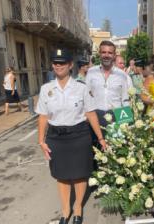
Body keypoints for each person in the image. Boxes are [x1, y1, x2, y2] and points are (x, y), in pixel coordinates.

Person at [36, 48, 106, 224]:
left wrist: (100, 138)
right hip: (56, 137)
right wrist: (41, 141)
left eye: (62, 63)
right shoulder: (46, 89)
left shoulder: (81, 88)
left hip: (79, 135)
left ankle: (78, 207)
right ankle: (65, 209)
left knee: (79, 174)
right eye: (55, 63)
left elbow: (90, 114)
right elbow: (43, 116)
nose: (58, 66)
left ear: (70, 65)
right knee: (62, 175)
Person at [86, 40, 129, 136]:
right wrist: (87, 117)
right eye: (103, 52)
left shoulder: (121, 74)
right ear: (99, 54)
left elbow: (125, 99)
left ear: (114, 55)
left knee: (115, 148)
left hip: (116, 115)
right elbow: (86, 96)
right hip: (96, 116)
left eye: (110, 53)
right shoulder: (91, 72)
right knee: (96, 147)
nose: (106, 55)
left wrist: (125, 123)